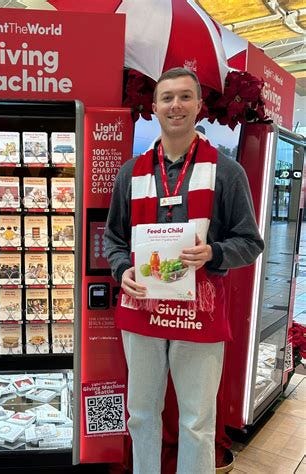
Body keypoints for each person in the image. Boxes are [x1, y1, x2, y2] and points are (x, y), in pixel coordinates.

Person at [104, 67, 264, 474]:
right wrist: (122, 269)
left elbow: (250, 242)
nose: (175, 105)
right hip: (141, 310)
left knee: (196, 422)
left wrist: (214, 252)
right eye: (167, 97)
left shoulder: (226, 172)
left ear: (199, 106)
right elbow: (114, 239)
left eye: (184, 96)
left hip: (200, 313)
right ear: (155, 106)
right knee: (141, 415)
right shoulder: (131, 172)